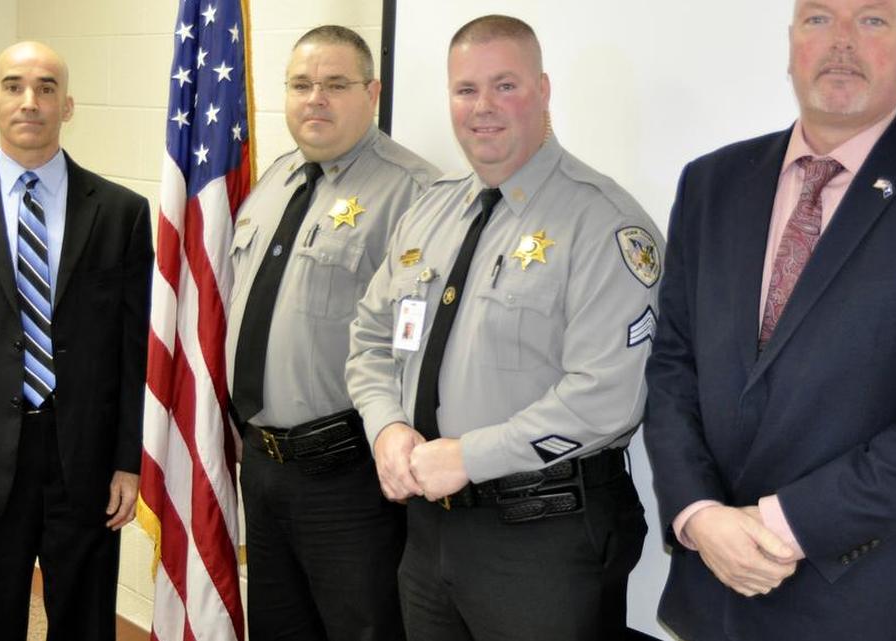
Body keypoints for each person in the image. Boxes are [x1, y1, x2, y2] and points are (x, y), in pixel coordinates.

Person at [644, 0, 896, 639]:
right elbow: (673, 368)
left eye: (872, 20)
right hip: (714, 598)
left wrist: (773, 528)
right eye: (819, 19)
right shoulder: (712, 182)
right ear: (792, 43)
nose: (841, 43)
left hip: (874, 607)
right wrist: (697, 514)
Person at [346, 15, 661, 640]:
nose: (482, 108)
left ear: (543, 90)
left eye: (505, 86)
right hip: (429, 531)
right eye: (466, 90)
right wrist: (386, 426)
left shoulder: (604, 224)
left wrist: (470, 457)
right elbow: (371, 338)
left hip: (541, 538)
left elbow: (609, 396)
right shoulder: (431, 211)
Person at [0, 42, 152, 640]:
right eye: (13, 86)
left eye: (46, 88)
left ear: (68, 106)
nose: (29, 101)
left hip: (85, 459)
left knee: (86, 621)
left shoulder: (122, 212)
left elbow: (132, 348)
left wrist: (128, 460)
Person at [225, 26, 439, 641]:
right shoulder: (275, 181)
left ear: (372, 93)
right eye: (301, 85)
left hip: (349, 475)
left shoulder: (415, 193)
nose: (315, 99)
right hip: (264, 466)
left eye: (336, 85)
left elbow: (417, 345)